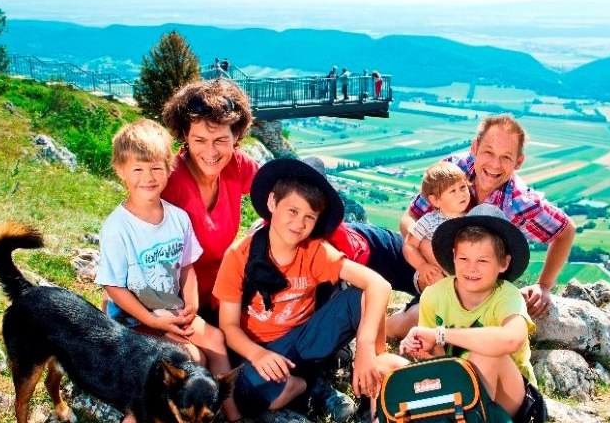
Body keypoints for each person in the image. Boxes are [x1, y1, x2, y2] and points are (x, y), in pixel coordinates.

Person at [213, 158, 403, 421]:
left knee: (358, 299)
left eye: (309, 217)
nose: (299, 223)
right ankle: (309, 386)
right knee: (248, 392)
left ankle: (374, 380)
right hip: (260, 348)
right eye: (292, 211)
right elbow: (229, 327)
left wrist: (367, 349)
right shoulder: (239, 256)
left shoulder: (314, 251)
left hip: (306, 341)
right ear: (271, 203)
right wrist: (258, 354)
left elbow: (379, 285)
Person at [96, 119, 241, 422]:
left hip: (172, 311)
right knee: (193, 358)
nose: (148, 177)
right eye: (137, 169)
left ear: (169, 168)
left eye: (156, 168)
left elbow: (186, 266)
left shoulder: (177, 218)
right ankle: (161, 413)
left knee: (214, 339)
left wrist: (192, 304)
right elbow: (113, 288)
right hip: (133, 320)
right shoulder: (117, 228)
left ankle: (230, 412)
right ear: (120, 171)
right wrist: (151, 319)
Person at [395, 114, 575, 337]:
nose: (494, 164)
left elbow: (565, 231)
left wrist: (544, 285)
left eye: (506, 157)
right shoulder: (453, 170)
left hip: (475, 285)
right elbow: (409, 219)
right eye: (488, 152)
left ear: (519, 162)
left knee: (422, 322)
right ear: (474, 147)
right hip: (427, 269)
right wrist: (427, 257)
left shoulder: (520, 201)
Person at [400, 203, 547, 423]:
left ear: (503, 263)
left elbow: (511, 340)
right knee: (387, 365)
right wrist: (423, 350)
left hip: (507, 398)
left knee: (486, 353)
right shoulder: (434, 295)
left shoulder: (508, 296)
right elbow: (439, 358)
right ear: (453, 256)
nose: (471, 269)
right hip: (455, 392)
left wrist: (440, 335)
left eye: (483, 261)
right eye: (464, 259)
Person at [160, 78, 258, 324]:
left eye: (221, 140)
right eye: (199, 140)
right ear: (185, 134)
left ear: (236, 135)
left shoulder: (236, 164)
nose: (211, 152)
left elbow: (278, 196)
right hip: (179, 303)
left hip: (224, 294)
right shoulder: (169, 181)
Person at [403, 161, 470, 294]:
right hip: (432, 273)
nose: (461, 194)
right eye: (452, 191)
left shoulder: (471, 219)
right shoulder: (428, 221)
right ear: (435, 201)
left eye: (463, 187)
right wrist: (422, 266)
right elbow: (409, 245)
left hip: (457, 274)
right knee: (440, 283)